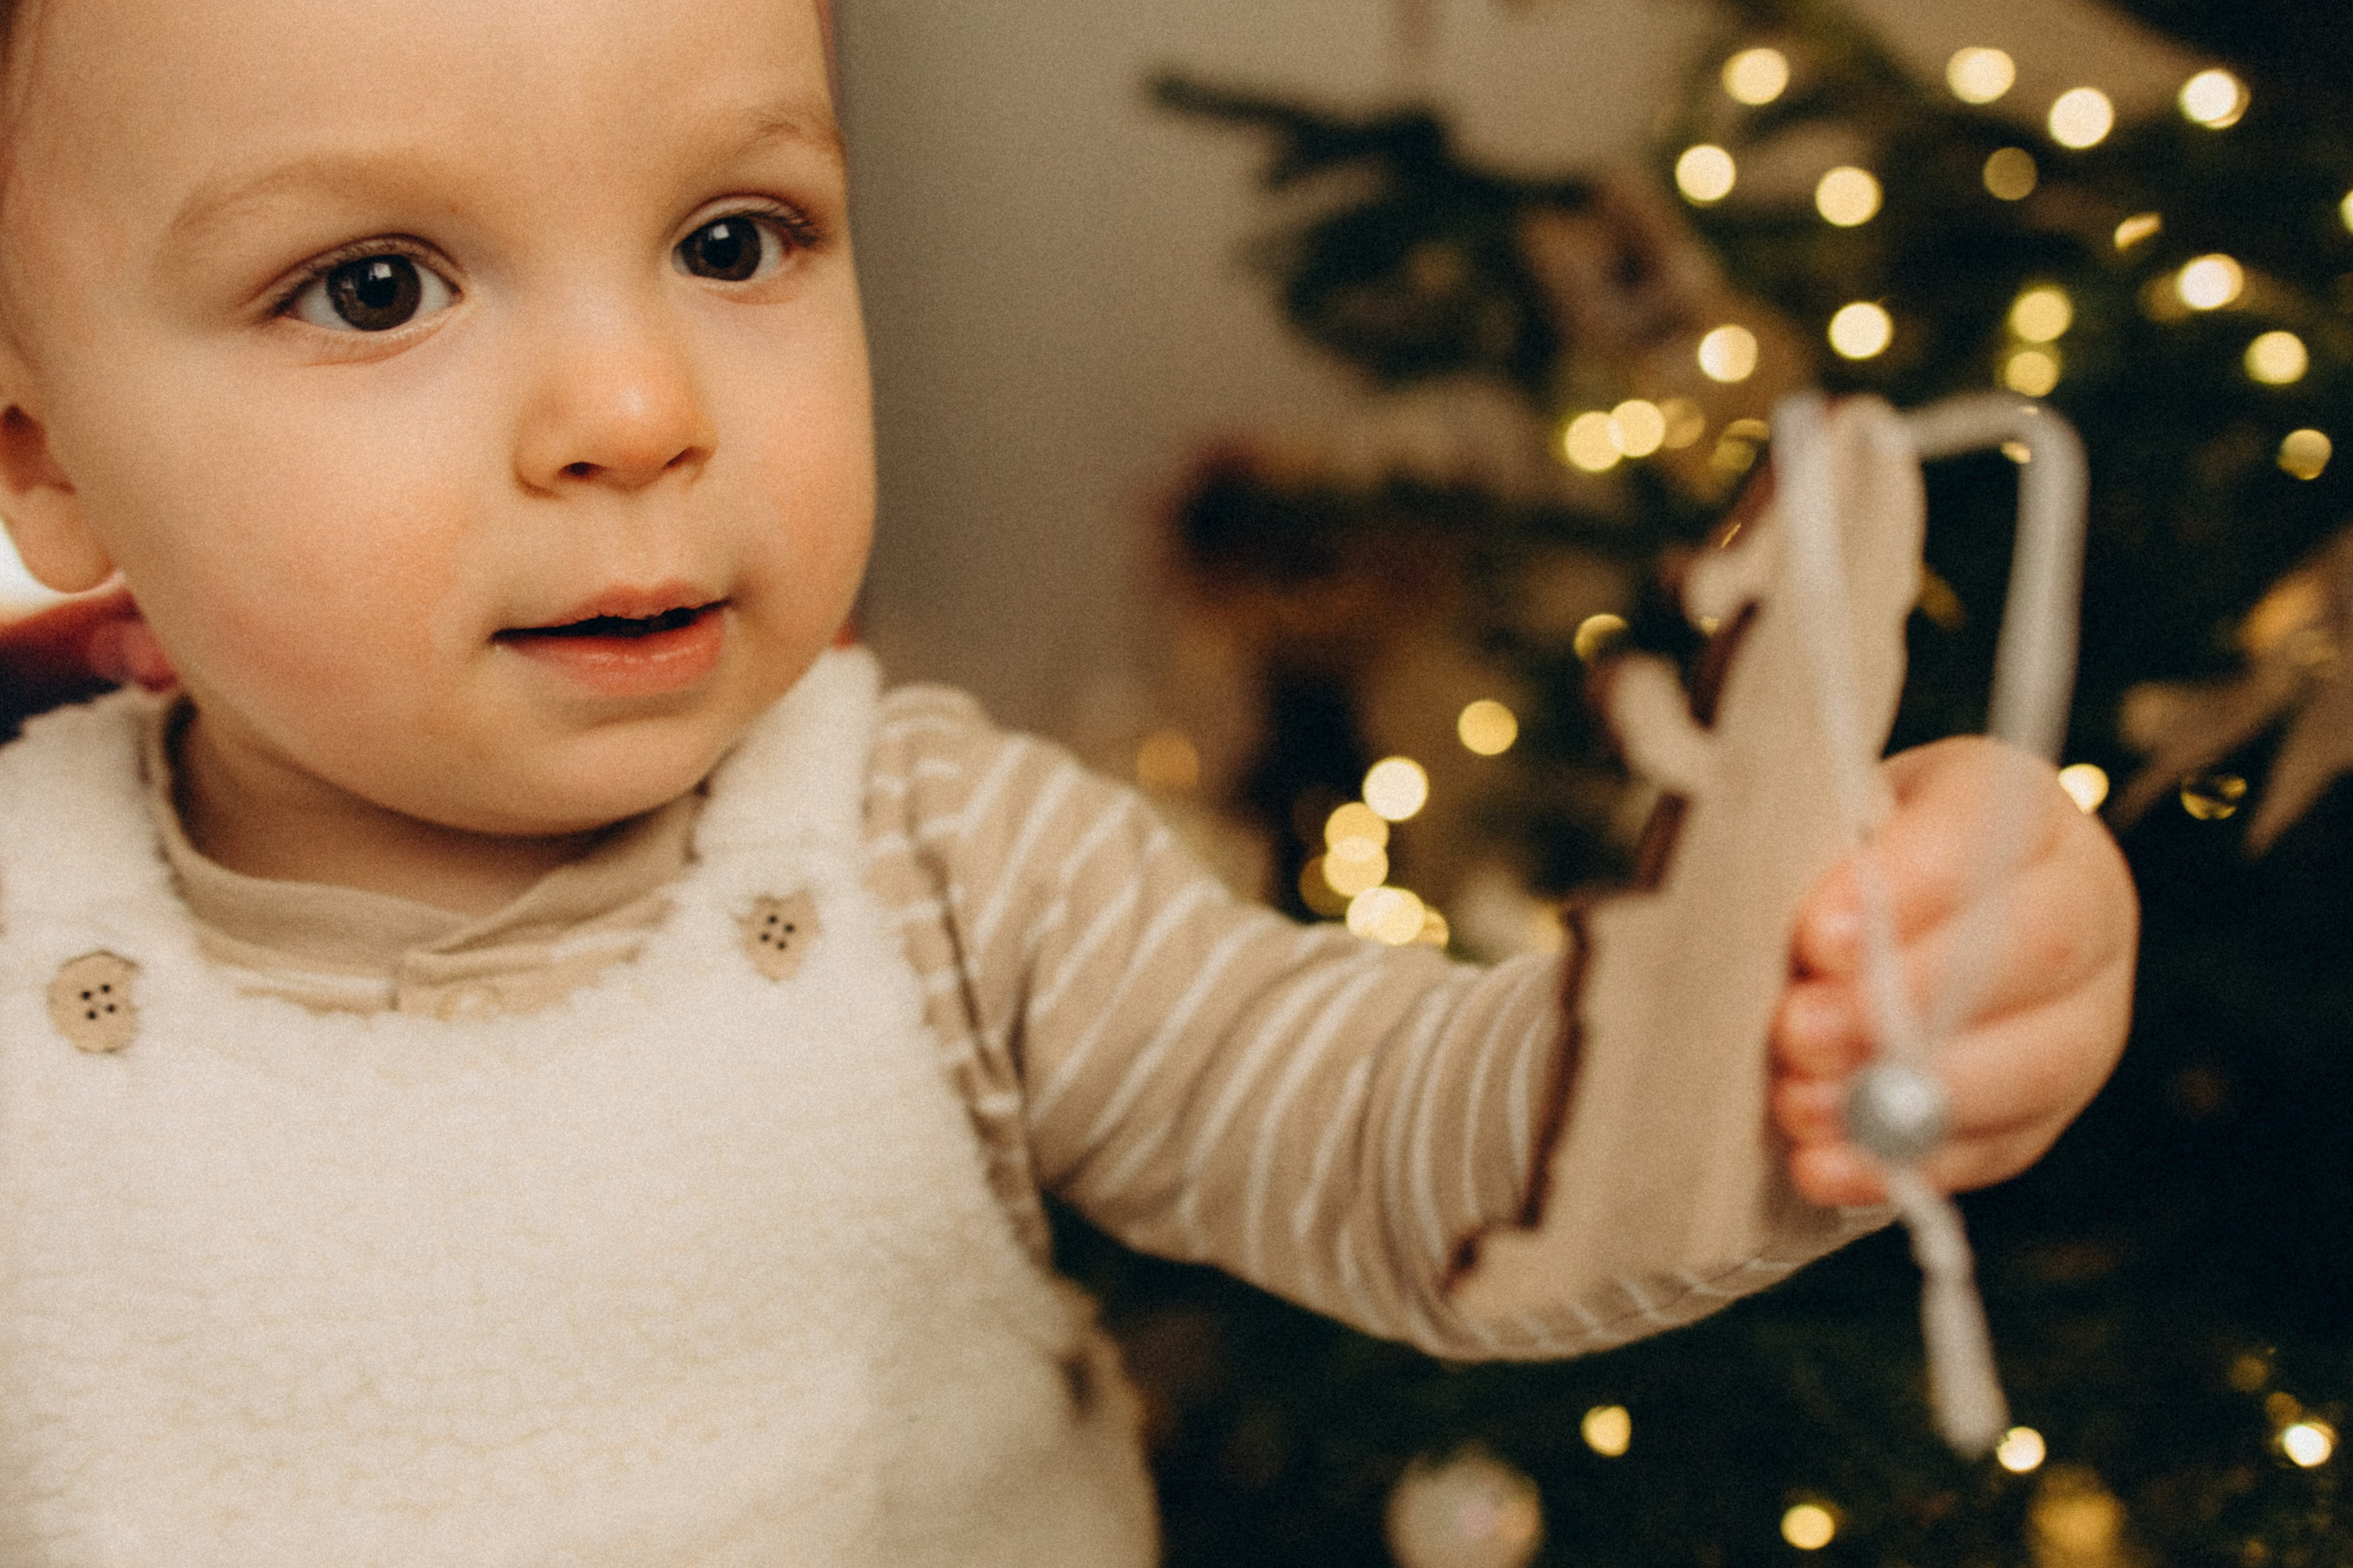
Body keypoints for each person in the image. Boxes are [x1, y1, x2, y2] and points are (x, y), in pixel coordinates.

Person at [0, 0, 2136, 1559]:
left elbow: (1402, 1139)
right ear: (45, 462)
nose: (639, 409)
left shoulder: (934, 861)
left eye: (734, 241)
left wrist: (1775, 1019)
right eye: (375, 287)